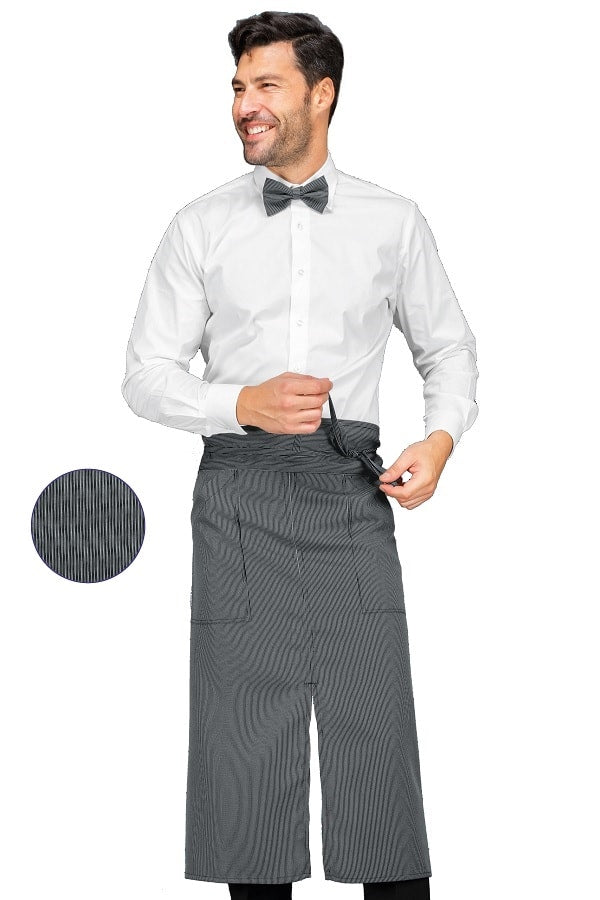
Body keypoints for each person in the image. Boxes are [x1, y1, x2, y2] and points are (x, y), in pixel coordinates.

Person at [121, 11, 478, 900]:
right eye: (238, 87)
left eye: (266, 85)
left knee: (376, 739)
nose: (244, 104)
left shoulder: (393, 220)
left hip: (351, 498)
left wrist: (438, 440)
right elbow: (145, 376)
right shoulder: (198, 225)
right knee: (245, 752)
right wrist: (235, 404)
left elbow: (448, 349)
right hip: (237, 503)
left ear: (322, 94)